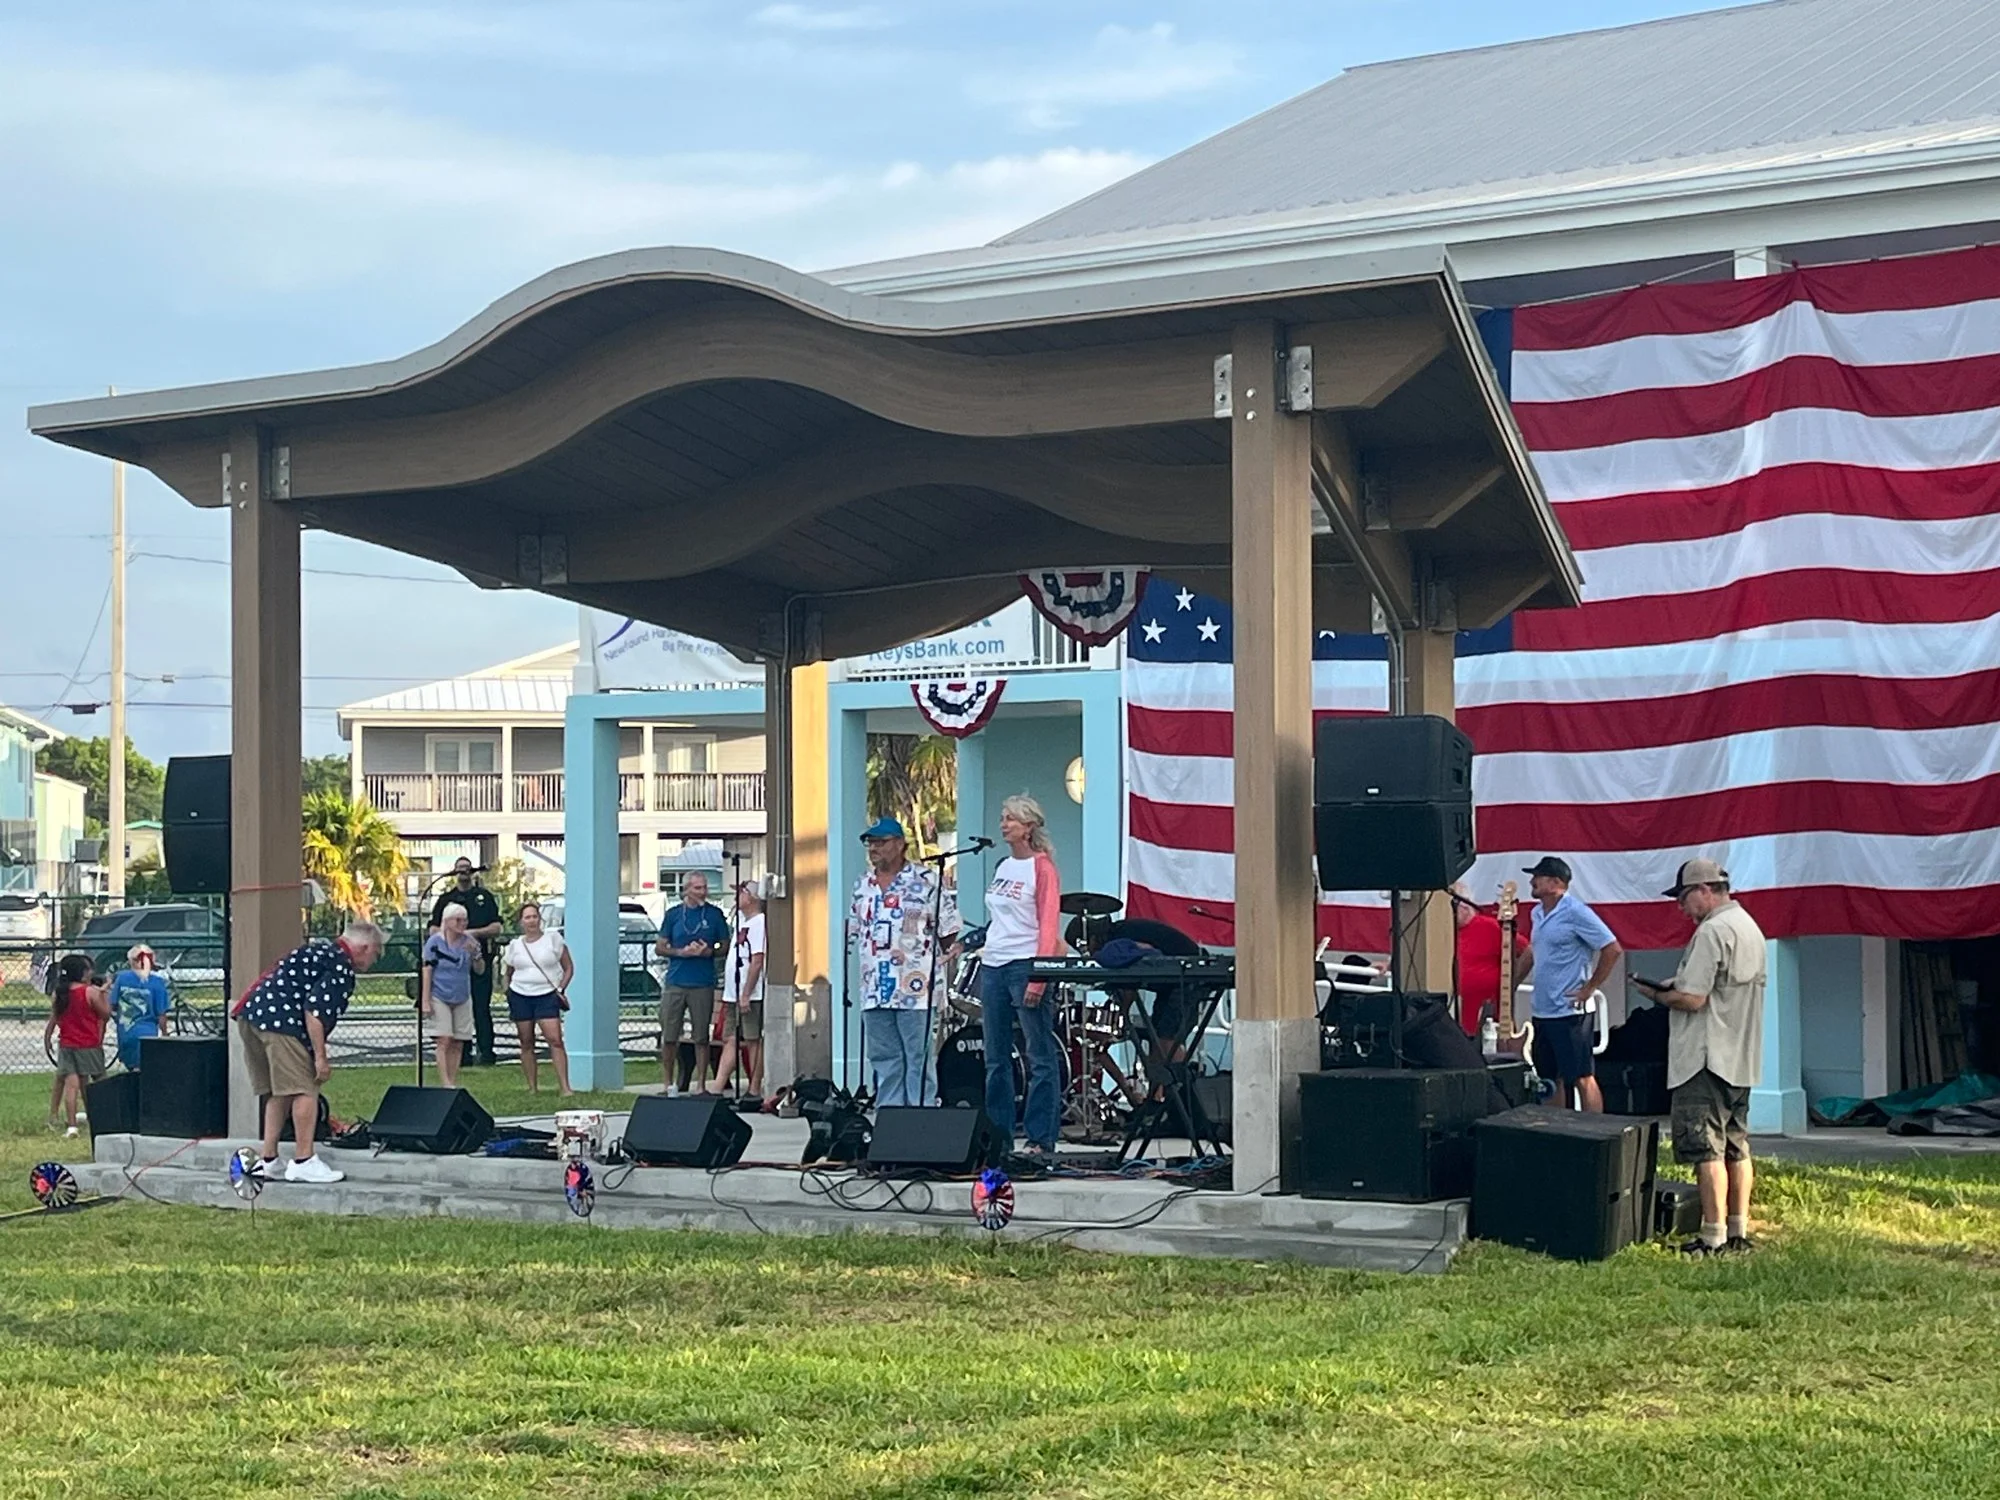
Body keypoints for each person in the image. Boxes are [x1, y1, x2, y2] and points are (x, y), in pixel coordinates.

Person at [1632, 858, 1767, 1257]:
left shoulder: (1712, 931)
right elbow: (1723, 986)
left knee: (1705, 1147)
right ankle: (1738, 1230)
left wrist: (1655, 994)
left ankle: (1712, 1236)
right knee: (1737, 1146)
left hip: (1705, 1056)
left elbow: (1693, 998)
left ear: (1705, 890)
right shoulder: (1749, 926)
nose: (1681, 907)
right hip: (1741, 1053)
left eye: (1684, 897)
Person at [232, 921, 385, 1183]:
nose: (376, 959)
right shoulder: (340, 966)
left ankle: (268, 1160)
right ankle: (304, 1160)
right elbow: (314, 1013)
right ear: (364, 947)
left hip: (250, 1017)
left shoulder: (317, 950)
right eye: (377, 953)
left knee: (278, 1092)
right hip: (280, 1022)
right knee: (305, 1089)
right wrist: (320, 1058)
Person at [849, 816, 959, 1108]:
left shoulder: (926, 882)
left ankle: (920, 1121)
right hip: (874, 986)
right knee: (884, 1058)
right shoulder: (863, 884)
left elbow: (949, 932)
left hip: (916, 988)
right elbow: (858, 930)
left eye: (881, 842)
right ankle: (891, 1119)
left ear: (900, 845)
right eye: (870, 843)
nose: (874, 848)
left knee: (918, 1058)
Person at [977, 796, 1065, 1155]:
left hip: (1024, 963)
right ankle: (999, 1137)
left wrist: (1039, 976)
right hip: (994, 964)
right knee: (996, 1057)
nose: (1003, 824)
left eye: (1010, 819)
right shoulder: (1003, 867)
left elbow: (1048, 923)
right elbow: (999, 918)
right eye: (1002, 817)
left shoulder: (1042, 868)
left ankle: (1041, 1137)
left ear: (1029, 826)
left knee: (1039, 1054)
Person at [1523, 855, 1621, 1112]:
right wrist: (1509, 985)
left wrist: (1590, 987)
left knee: (1580, 1076)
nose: (1532, 881)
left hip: (1570, 1011)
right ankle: (1557, 1131)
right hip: (1542, 1009)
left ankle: (1595, 1132)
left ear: (1556, 882)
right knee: (1549, 1078)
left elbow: (1612, 948)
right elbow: (1533, 952)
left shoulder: (1576, 912)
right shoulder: (1537, 913)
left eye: (1538, 876)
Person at [654, 874, 730, 1095]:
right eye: (697, 888)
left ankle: (701, 1085)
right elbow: (660, 947)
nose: (703, 891)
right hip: (676, 980)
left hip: (703, 982)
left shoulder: (715, 915)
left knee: (701, 1036)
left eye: (705, 887)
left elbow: (725, 945)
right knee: (669, 1035)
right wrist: (680, 952)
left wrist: (709, 952)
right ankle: (668, 1084)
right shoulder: (674, 915)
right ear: (686, 889)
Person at [429, 858, 502, 1066]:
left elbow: (497, 926)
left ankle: (487, 1053)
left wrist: (472, 934)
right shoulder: (446, 900)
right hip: (452, 964)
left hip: (479, 960)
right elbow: (433, 928)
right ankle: (462, 1055)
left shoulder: (484, 897)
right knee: (457, 1006)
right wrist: (452, 935)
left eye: (467, 869)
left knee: (481, 1007)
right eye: (460, 869)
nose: (464, 873)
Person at [502, 900, 572, 1096]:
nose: (531, 921)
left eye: (534, 916)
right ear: (521, 922)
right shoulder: (515, 945)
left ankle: (565, 1087)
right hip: (520, 995)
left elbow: (568, 967)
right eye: (527, 917)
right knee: (526, 1041)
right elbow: (508, 972)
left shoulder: (553, 940)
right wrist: (509, 991)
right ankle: (532, 1087)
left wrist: (561, 988)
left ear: (540, 919)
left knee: (555, 1039)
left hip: (546, 995)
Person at [1451, 882, 1532, 1039]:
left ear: (1465, 907)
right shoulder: (1445, 931)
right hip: (1456, 1016)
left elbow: (1528, 952)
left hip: (1489, 1019)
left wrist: (1511, 984)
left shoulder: (1490, 927)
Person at [710, 881, 766, 1101]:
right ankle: (718, 1085)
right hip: (733, 992)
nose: (737, 897)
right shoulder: (742, 921)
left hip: (750, 993)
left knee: (752, 1039)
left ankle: (754, 1087)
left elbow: (757, 960)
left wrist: (746, 992)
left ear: (751, 897)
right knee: (730, 1038)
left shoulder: (759, 923)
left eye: (741, 892)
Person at [45, 954, 110, 1137]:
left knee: (71, 1086)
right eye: (89, 969)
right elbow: (105, 1014)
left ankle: (71, 1126)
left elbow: (55, 1016)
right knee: (99, 1082)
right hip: (89, 1045)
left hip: (67, 1045)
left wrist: (48, 1036)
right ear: (82, 973)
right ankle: (102, 1117)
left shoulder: (60, 993)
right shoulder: (90, 992)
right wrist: (103, 994)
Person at [422, 902, 484, 1088]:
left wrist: (476, 956)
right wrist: (425, 1000)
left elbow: (480, 970)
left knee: (459, 1040)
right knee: (444, 1038)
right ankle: (445, 1081)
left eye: (464, 920)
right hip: (439, 994)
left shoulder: (470, 942)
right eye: (458, 920)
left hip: (462, 995)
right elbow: (427, 970)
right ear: (447, 921)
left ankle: (453, 1079)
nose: (462, 923)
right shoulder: (435, 942)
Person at [109, 944, 172, 1071]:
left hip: (126, 1031)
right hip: (148, 1033)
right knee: (145, 1068)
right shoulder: (157, 983)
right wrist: (164, 1033)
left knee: (131, 1067)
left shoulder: (122, 978)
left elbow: (113, 1004)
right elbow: (161, 1014)